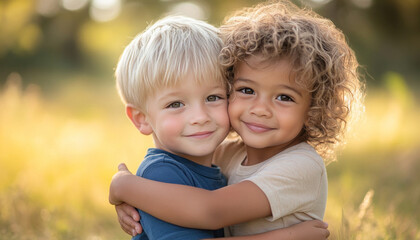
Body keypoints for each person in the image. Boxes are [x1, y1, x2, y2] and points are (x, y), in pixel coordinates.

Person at [112, 14, 330, 240]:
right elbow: (208, 210)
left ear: (315, 107)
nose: (200, 117)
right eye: (247, 90)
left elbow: (209, 210)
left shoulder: (294, 164)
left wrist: (129, 190)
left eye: (213, 97)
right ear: (141, 118)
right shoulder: (165, 173)